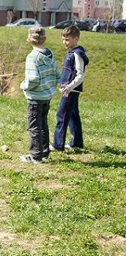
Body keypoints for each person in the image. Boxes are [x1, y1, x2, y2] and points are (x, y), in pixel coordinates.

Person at [19, 27, 60, 164]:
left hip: (35, 98)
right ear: (45, 39)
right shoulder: (49, 54)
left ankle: (36, 156)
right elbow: (57, 73)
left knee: (34, 127)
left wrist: (24, 85)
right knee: (43, 124)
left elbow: (33, 79)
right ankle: (44, 151)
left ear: (28, 39)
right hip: (47, 96)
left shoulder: (32, 57)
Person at [52, 25, 89, 151]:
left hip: (71, 90)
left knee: (61, 116)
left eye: (67, 40)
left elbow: (80, 75)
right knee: (73, 116)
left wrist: (69, 87)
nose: (64, 42)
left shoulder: (78, 54)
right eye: (63, 39)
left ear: (76, 38)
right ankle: (77, 142)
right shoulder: (71, 53)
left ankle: (58, 145)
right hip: (69, 89)